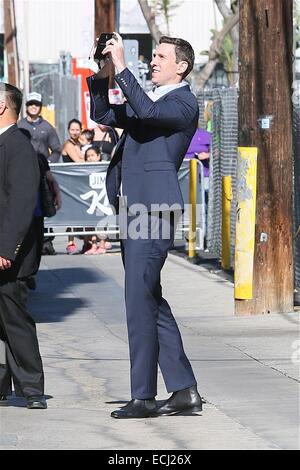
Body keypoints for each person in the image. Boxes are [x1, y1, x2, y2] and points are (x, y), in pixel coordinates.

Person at [87, 34, 202, 419]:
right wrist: (102, 72)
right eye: (153, 55)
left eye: (160, 56)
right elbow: (104, 117)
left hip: (152, 211)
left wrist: (122, 66)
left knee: (138, 301)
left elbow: (147, 115)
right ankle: (184, 390)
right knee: (149, 298)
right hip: (135, 209)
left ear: (181, 66)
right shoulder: (148, 100)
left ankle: (143, 396)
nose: (152, 61)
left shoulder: (182, 102)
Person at [0, 83, 47, 409]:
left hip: (9, 254)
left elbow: (21, 202)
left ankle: (32, 389)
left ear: (3, 107)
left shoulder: (17, 145)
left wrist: (5, 249)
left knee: (14, 319)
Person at [18, 92, 62, 256]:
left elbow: (57, 149)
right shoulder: (20, 126)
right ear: (26, 106)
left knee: (44, 206)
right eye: (30, 104)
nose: (33, 107)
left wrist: (47, 165)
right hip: (23, 173)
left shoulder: (47, 127)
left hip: (43, 174)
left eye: (36, 104)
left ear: (40, 106)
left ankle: (46, 242)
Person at [61, 119, 84, 254]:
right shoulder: (69, 144)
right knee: (72, 214)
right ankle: (70, 242)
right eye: (72, 129)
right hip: (70, 184)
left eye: (77, 129)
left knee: (82, 213)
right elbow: (79, 161)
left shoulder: (80, 143)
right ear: (68, 131)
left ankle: (87, 241)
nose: (75, 132)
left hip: (80, 183)